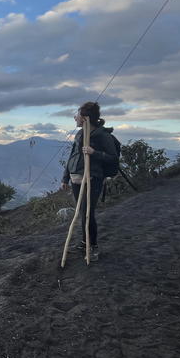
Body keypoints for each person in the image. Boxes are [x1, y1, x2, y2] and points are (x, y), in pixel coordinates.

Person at [61, 101, 118, 261]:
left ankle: (92, 247)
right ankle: (84, 242)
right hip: (75, 178)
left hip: (92, 179)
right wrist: (65, 177)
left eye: (77, 115)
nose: (75, 118)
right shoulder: (80, 134)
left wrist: (94, 153)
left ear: (85, 118)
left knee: (87, 213)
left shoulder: (103, 136)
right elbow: (73, 155)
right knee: (81, 212)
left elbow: (113, 159)